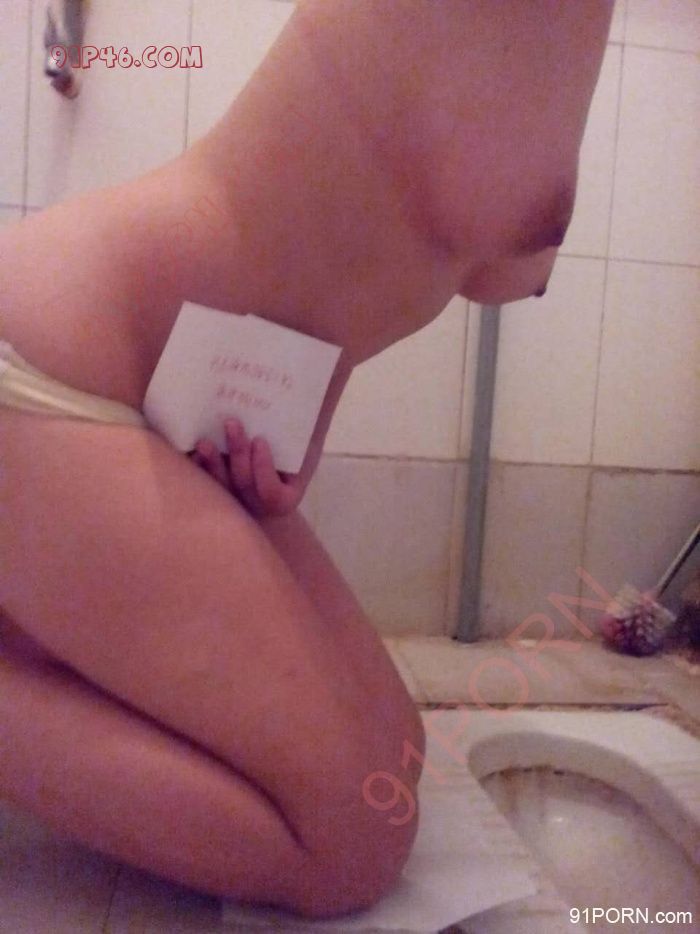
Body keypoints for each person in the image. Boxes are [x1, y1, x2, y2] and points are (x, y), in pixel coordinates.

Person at [0, 0, 613, 919]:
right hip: (53, 364)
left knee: (395, 761)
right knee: (351, 845)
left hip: (159, 399)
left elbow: (349, 254)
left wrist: (298, 424)